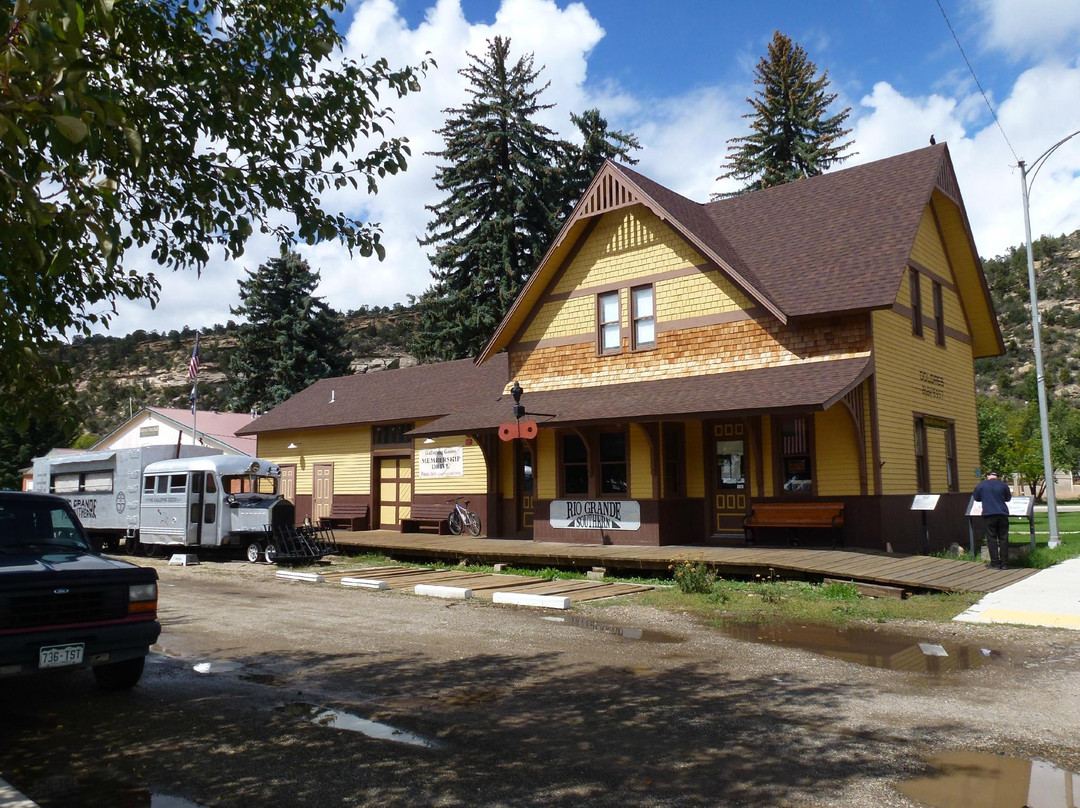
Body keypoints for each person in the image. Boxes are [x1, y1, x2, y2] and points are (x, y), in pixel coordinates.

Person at [973, 471, 1012, 569]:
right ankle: (1004, 564)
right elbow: (1008, 498)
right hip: (1002, 514)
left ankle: (994, 563)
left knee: (991, 539)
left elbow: (976, 498)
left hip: (988, 514)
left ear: (987, 476)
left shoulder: (981, 485)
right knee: (1003, 538)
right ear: (997, 477)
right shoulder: (1003, 485)